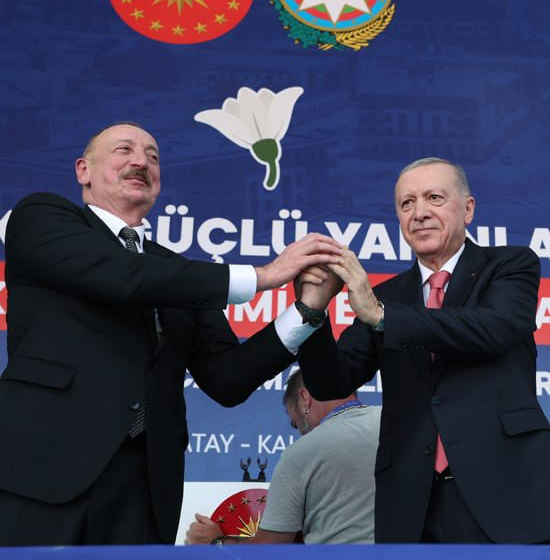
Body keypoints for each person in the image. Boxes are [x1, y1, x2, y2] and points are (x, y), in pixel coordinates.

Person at [0, 122, 343, 546]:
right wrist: (264, 276)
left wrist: (308, 309)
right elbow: (123, 276)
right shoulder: (41, 218)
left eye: (153, 156)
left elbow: (228, 378)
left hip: (144, 485)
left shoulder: (178, 274)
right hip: (44, 469)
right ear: (83, 170)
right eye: (124, 150)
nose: (141, 161)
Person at [297, 157, 550, 544]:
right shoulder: (386, 296)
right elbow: (332, 382)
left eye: (434, 198)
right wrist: (313, 311)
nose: (419, 213)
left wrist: (383, 317)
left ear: (468, 209)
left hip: (506, 490)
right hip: (412, 503)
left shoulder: (510, 264)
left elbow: (496, 327)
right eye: (407, 203)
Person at [185, 369, 380, 545]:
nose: (301, 433)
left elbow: (269, 549)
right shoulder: (393, 425)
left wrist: (216, 542)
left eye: (296, 424)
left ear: (304, 399)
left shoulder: (303, 450)